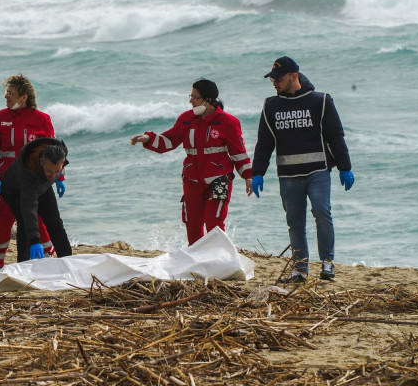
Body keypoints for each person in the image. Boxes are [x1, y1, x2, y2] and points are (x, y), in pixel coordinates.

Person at [251, 56, 355, 283]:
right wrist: (257, 172)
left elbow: (336, 137)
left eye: (279, 78)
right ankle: (300, 269)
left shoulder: (321, 101)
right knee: (295, 224)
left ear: (294, 76)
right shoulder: (271, 106)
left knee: (322, 212)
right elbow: (264, 143)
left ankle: (327, 262)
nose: (275, 82)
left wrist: (344, 167)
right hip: (288, 176)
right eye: (272, 79)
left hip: (318, 172)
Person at [131, 78, 253, 246]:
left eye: (195, 97)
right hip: (192, 179)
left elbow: (238, 153)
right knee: (192, 224)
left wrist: (248, 176)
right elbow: (169, 140)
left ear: (208, 100)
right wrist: (147, 139)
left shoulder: (228, 122)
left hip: (219, 179)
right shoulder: (186, 119)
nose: (190, 100)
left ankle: (218, 260)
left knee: (214, 223)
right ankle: (196, 262)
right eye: (191, 95)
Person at [0, 74, 63, 271]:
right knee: (2, 219)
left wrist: (60, 177)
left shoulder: (42, 119)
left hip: (34, 181)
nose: (6, 96)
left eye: (11, 93)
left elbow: (55, 152)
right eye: (7, 92)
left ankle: (48, 257)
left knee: (37, 220)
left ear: (23, 97)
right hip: (6, 179)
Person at [0, 137, 73, 262]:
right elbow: (29, 210)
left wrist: (59, 178)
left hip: (42, 186)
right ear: (41, 162)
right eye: (50, 171)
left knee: (55, 223)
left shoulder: (60, 152)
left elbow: (54, 172)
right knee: (25, 223)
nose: (53, 175)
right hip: (14, 191)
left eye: (57, 171)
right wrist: (35, 241)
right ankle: (24, 263)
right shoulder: (29, 171)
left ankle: (68, 260)